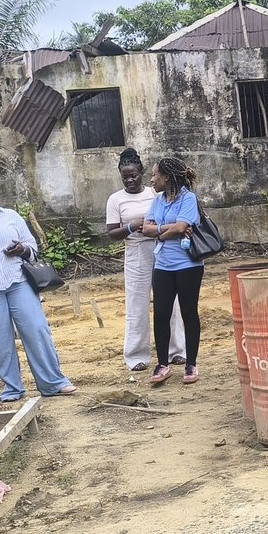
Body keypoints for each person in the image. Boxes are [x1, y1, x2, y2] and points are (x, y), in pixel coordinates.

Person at [0, 172, 78, 400]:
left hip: (17, 281)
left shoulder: (9, 215)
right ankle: (12, 387)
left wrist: (22, 249)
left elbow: (32, 248)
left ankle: (53, 382)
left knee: (37, 329)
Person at [105, 148, 186, 372]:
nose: (130, 180)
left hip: (162, 248)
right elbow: (111, 233)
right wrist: (131, 227)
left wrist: (154, 227)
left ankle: (176, 350)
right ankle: (136, 355)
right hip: (136, 253)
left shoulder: (155, 194)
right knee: (136, 304)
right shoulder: (116, 200)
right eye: (125, 177)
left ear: (142, 172)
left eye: (134, 175)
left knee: (169, 302)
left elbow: (170, 216)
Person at [140, 157, 202, 386]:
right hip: (162, 265)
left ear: (166, 177)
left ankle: (191, 364)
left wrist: (160, 232)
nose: (151, 179)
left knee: (188, 312)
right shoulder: (158, 200)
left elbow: (182, 227)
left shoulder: (188, 198)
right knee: (161, 313)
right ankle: (162, 364)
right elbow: (146, 228)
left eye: (154, 175)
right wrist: (167, 230)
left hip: (188, 265)